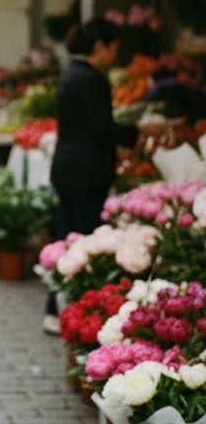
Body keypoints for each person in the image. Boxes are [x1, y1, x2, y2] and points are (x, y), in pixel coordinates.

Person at [43, 16, 139, 333]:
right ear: (100, 46)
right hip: (87, 172)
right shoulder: (92, 78)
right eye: (114, 49)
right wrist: (138, 134)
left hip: (67, 168)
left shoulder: (70, 73)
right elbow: (102, 128)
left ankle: (55, 311)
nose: (115, 56)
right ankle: (76, 315)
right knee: (84, 244)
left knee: (65, 241)